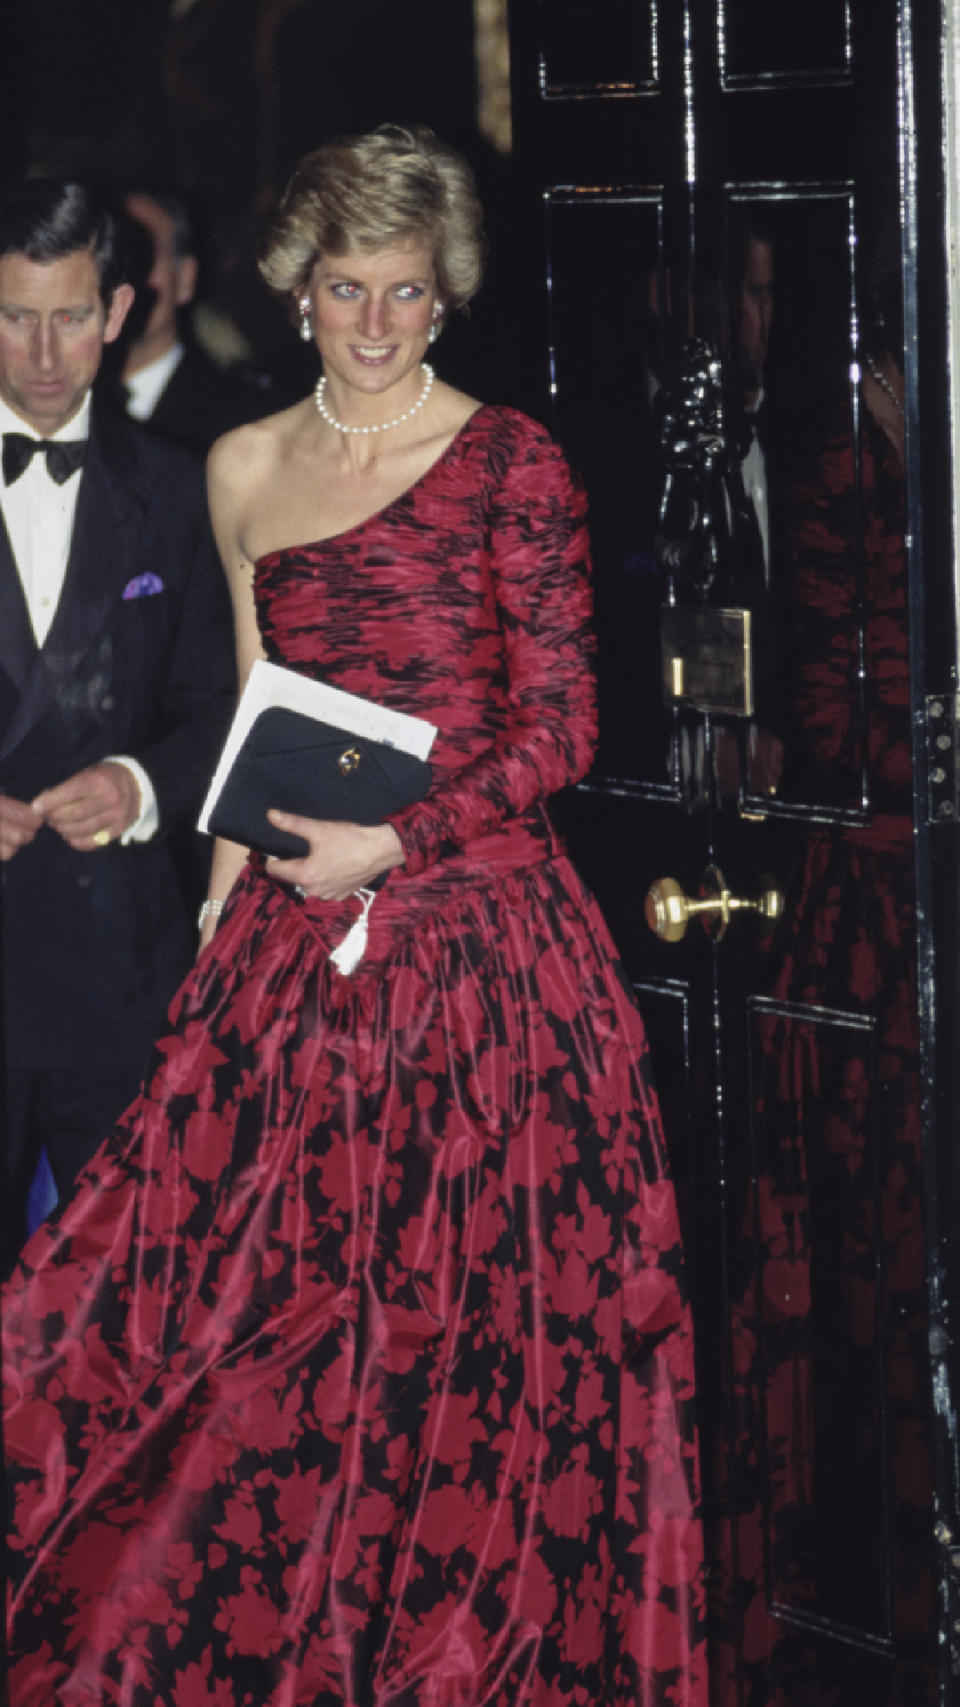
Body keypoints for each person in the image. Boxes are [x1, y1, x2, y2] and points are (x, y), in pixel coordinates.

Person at [4, 128, 707, 1705]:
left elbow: (563, 731)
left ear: (445, 296)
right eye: (343, 288)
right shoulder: (242, 467)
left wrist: (393, 840)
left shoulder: (515, 463)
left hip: (487, 966)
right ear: (297, 289)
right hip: (288, 960)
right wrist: (220, 920)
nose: (375, 323)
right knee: (249, 1332)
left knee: (475, 1341)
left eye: (405, 290)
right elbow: (256, 715)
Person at [0, 181, 236, 1261]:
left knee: (124, 1303)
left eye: (68, 316)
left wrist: (141, 785)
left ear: (118, 310)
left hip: (119, 973)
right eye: (15, 316)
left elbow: (219, 708)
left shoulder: (185, 492)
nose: (45, 353)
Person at [114, 187, 291, 454]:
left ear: (185, 277)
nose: (125, 283)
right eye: (113, 262)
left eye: (143, 257)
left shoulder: (255, 418)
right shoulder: (60, 405)